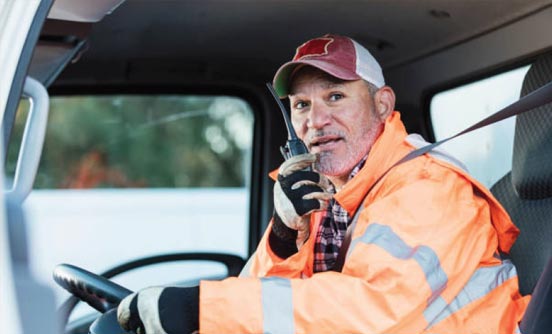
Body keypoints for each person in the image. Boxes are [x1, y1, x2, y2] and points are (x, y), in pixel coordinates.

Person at [117, 34, 530, 333]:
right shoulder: (332, 195)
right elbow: (275, 304)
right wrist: (281, 236)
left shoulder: (428, 187)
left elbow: (371, 311)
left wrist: (200, 307)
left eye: (335, 97)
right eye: (302, 105)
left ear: (383, 104)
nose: (315, 121)